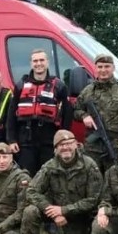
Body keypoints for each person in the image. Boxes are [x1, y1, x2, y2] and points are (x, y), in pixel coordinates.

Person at [18, 129, 102, 234]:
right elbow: (31, 191)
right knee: (30, 211)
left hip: (78, 215)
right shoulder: (50, 166)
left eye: (69, 143)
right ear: (56, 149)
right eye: (61, 145)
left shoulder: (89, 166)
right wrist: (51, 210)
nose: (66, 147)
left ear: (76, 144)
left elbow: (93, 200)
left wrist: (64, 210)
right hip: (53, 211)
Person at [7, 48, 71, 176]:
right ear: (31, 63)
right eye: (35, 61)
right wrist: (11, 139)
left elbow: (67, 114)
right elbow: (11, 114)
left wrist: (63, 139)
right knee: (26, 175)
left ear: (47, 62)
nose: (38, 63)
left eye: (41, 60)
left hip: (48, 138)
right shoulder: (21, 85)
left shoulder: (59, 85)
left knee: (49, 175)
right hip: (26, 139)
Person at [73, 53, 118, 173]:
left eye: (107, 66)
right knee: (92, 179)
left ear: (113, 68)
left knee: (115, 179)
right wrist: (84, 116)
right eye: (100, 67)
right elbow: (75, 110)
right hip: (93, 147)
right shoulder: (88, 91)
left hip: (115, 146)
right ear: (95, 68)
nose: (103, 70)